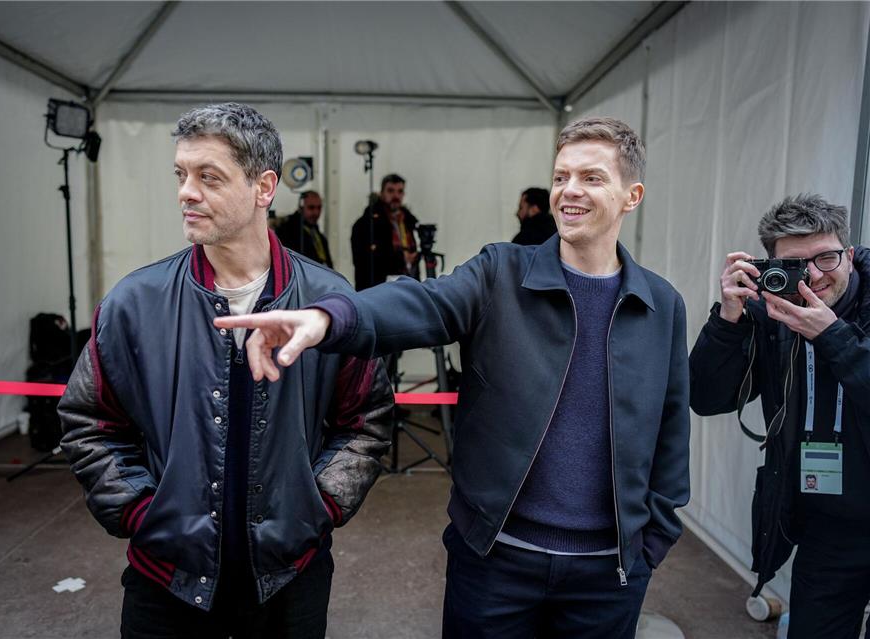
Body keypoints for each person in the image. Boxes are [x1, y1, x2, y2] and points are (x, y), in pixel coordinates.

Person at [218, 117, 691, 639]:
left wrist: (653, 541)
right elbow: (424, 302)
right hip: (496, 560)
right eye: (561, 177)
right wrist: (330, 317)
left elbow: (671, 430)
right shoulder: (500, 273)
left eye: (592, 178)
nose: (569, 191)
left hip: (609, 576)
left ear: (632, 195)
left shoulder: (661, 304)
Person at [57, 102, 393, 639]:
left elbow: (366, 422)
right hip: (165, 581)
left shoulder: (329, 303)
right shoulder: (133, 303)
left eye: (208, 177)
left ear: (264, 187)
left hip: (290, 579)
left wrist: (320, 505)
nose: (185, 192)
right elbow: (89, 422)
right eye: (181, 174)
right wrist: (144, 514)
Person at [689, 194, 869, 639]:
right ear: (768, 264)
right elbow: (706, 397)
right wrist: (728, 318)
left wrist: (832, 336)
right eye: (794, 264)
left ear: (848, 255)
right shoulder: (771, 314)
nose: (814, 275)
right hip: (825, 524)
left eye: (826, 257)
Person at [350, 173, 419, 290]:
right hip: (377, 289)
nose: (396, 196)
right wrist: (401, 258)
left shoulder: (407, 221)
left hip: (407, 286)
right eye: (390, 191)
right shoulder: (367, 223)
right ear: (382, 193)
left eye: (400, 191)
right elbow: (365, 261)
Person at [276, 190, 333, 268]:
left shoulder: (318, 234)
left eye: (319, 208)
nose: (316, 212)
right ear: (301, 207)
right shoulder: (288, 231)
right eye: (311, 208)